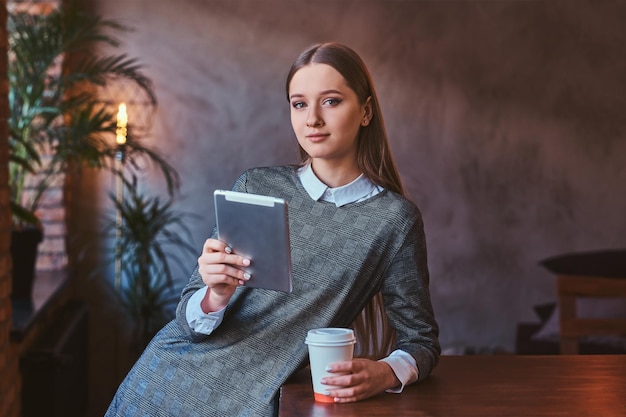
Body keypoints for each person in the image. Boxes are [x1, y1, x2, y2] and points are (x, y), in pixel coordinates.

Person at [106, 41, 440, 417]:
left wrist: (384, 373)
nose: (311, 119)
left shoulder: (394, 220)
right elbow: (189, 321)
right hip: (164, 380)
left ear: (365, 112)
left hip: (254, 400)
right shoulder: (255, 187)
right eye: (299, 104)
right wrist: (214, 294)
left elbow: (421, 341)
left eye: (330, 101)